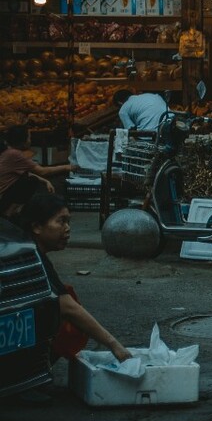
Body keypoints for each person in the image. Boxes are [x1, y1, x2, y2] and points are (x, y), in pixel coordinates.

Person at [19, 193, 131, 401]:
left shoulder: (31, 251)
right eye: (61, 221)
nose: (67, 228)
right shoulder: (29, 256)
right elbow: (67, 307)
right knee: (63, 311)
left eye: (68, 221)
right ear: (36, 227)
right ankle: (25, 380)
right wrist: (114, 344)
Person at [0, 124, 75, 196]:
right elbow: (43, 171)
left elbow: (24, 173)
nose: (30, 140)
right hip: (5, 200)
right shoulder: (14, 154)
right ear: (23, 141)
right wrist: (67, 167)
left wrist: (45, 181)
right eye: (29, 137)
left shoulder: (9, 151)